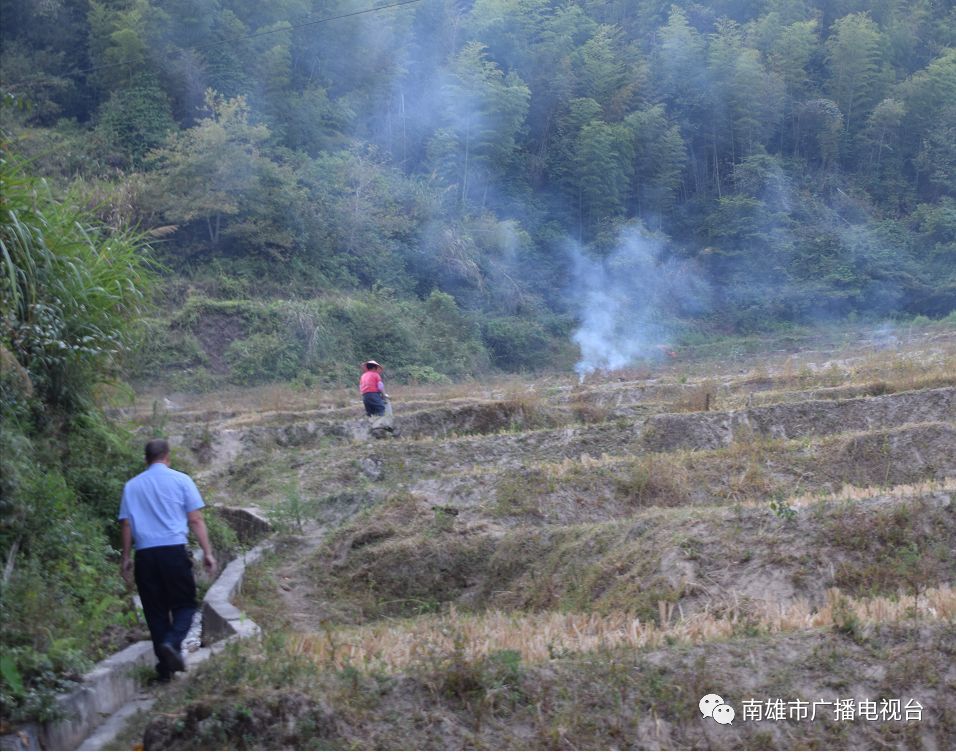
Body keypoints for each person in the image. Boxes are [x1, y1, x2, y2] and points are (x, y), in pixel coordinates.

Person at [119, 439, 217, 681]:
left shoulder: (131, 486)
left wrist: (125, 557)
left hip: (145, 556)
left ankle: (165, 671)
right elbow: (195, 519)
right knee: (185, 606)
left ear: (146, 459)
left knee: (155, 612)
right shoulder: (181, 480)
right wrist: (207, 552)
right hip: (173, 553)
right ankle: (172, 644)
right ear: (167, 456)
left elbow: (126, 524)